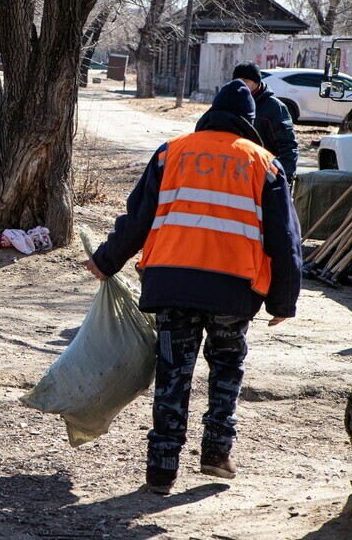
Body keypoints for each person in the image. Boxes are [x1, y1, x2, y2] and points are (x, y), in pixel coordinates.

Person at [84, 80, 302, 494]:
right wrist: (283, 301)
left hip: (173, 285)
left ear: (210, 114)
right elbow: (284, 240)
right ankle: (217, 453)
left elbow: (138, 218)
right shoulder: (265, 164)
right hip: (234, 292)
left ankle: (162, 468)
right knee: (225, 369)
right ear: (249, 123)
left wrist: (105, 261)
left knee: (173, 374)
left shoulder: (171, 152)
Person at [232, 61, 298, 189]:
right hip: (233, 176)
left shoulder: (274, 108)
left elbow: (287, 148)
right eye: (237, 80)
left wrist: (284, 181)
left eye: (246, 80)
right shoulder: (228, 103)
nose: (241, 84)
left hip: (262, 177)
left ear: (257, 83)